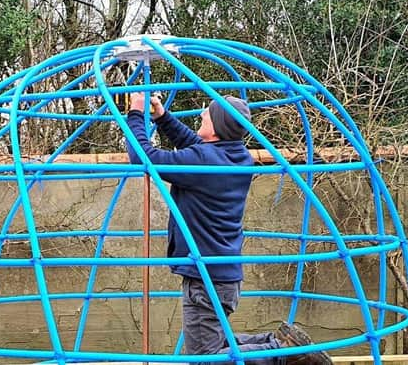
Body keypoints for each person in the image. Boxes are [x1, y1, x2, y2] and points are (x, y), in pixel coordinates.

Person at [125, 92, 332, 365]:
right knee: (216, 347)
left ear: (219, 127)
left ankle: (286, 356)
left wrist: (136, 114)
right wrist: (162, 117)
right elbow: (197, 145)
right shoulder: (238, 157)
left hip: (206, 280)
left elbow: (143, 158)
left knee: (205, 359)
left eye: (207, 113)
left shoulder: (206, 160)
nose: (201, 114)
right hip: (224, 275)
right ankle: (277, 344)